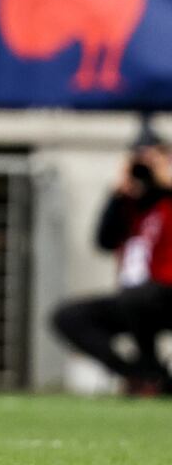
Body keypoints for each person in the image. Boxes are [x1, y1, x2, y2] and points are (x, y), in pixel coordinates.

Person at [52, 125, 172, 396]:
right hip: (136, 300)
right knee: (69, 317)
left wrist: (164, 180)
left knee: (138, 297)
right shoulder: (129, 203)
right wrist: (118, 193)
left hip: (165, 292)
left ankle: (151, 369)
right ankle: (138, 375)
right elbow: (104, 241)